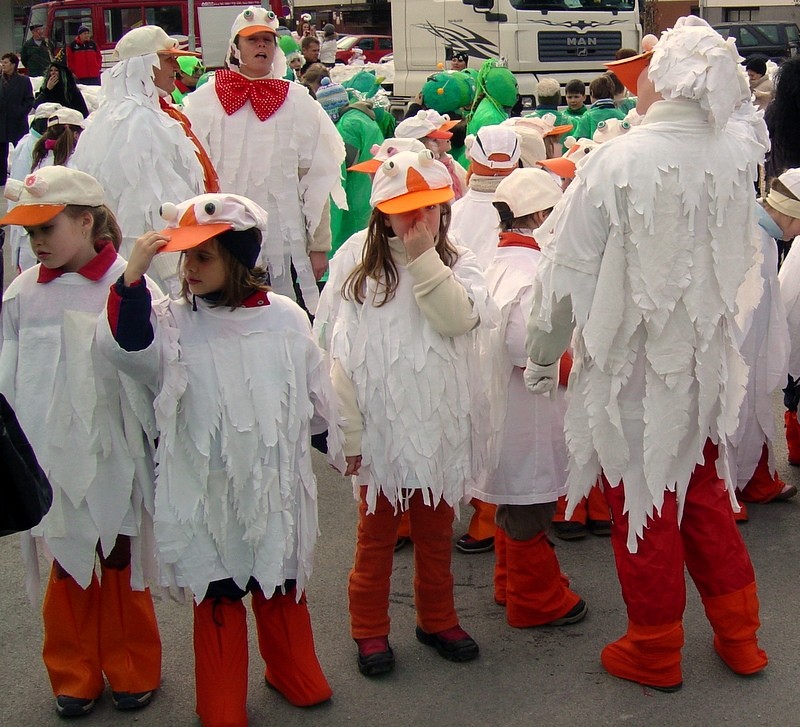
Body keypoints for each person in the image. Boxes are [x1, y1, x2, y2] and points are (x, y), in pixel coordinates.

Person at [525, 17, 769, 691]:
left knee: (644, 500)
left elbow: (563, 273)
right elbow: (747, 110)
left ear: (668, 79)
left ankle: (655, 646)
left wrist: (543, 355)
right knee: (703, 492)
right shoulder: (735, 152)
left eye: (648, 69)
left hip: (631, 367)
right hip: (703, 365)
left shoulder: (618, 159)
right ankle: (740, 634)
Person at [97, 192, 339, 726]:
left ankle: (290, 665)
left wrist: (339, 445)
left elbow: (316, 394)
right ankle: (222, 694)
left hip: (274, 486)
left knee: (280, 573)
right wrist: (131, 281)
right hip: (207, 490)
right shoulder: (171, 321)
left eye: (202, 256)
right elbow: (128, 350)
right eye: (184, 257)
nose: (188, 269)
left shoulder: (286, 318)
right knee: (220, 587)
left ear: (238, 257)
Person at [315, 149, 496, 677]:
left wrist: (424, 262)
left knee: (437, 530)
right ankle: (368, 629)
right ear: (382, 212)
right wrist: (348, 432)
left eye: (431, 208)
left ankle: (437, 618)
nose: (419, 219)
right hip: (380, 433)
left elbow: (458, 321)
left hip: (438, 429)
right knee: (375, 537)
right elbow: (338, 354)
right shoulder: (355, 263)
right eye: (405, 208)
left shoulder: (460, 261)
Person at [0, 166, 163, 718]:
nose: (38, 241)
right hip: (53, 459)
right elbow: (9, 373)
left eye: (48, 227)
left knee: (118, 553)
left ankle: (132, 665)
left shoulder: (130, 282)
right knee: (68, 559)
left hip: (117, 450)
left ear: (86, 220)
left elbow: (155, 366)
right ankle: (73, 673)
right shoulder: (22, 293)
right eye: (30, 233)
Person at [475, 167, 588, 627]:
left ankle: (510, 582)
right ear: (540, 214)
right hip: (530, 412)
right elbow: (527, 346)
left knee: (516, 499)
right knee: (530, 505)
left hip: (509, 410)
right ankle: (534, 599)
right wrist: (579, 377)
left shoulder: (495, 263)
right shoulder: (532, 273)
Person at [183, 6, 345, 314]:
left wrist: (319, 245)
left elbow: (318, 177)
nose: (261, 45)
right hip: (220, 243)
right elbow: (190, 174)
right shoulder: (203, 103)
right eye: (252, 39)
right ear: (235, 47)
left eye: (267, 40)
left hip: (284, 247)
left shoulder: (300, 102)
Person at [71, 25, 217, 292]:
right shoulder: (139, 121)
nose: (176, 66)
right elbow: (153, 207)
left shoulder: (122, 116)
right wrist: (174, 276)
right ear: (144, 66)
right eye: (168, 59)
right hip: (153, 266)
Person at [730, 167, 797, 514]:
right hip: (736, 346)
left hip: (753, 343)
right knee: (731, 414)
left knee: (754, 412)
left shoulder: (766, 235)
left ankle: (755, 479)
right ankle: (724, 492)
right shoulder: (751, 237)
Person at [0, 52, 34, 184]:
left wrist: (20, 111)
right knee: (1, 153)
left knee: (21, 151)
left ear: (14, 64)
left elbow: (29, 100)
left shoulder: (23, 81)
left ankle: (23, 175)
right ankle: (2, 179)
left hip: (17, 122)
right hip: (1, 122)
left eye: (6, 63)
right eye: (2, 63)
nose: (3, 65)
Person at [571, 74, 626, 140]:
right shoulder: (622, 115)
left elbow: (578, 141)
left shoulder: (587, 116)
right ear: (612, 92)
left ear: (592, 93)